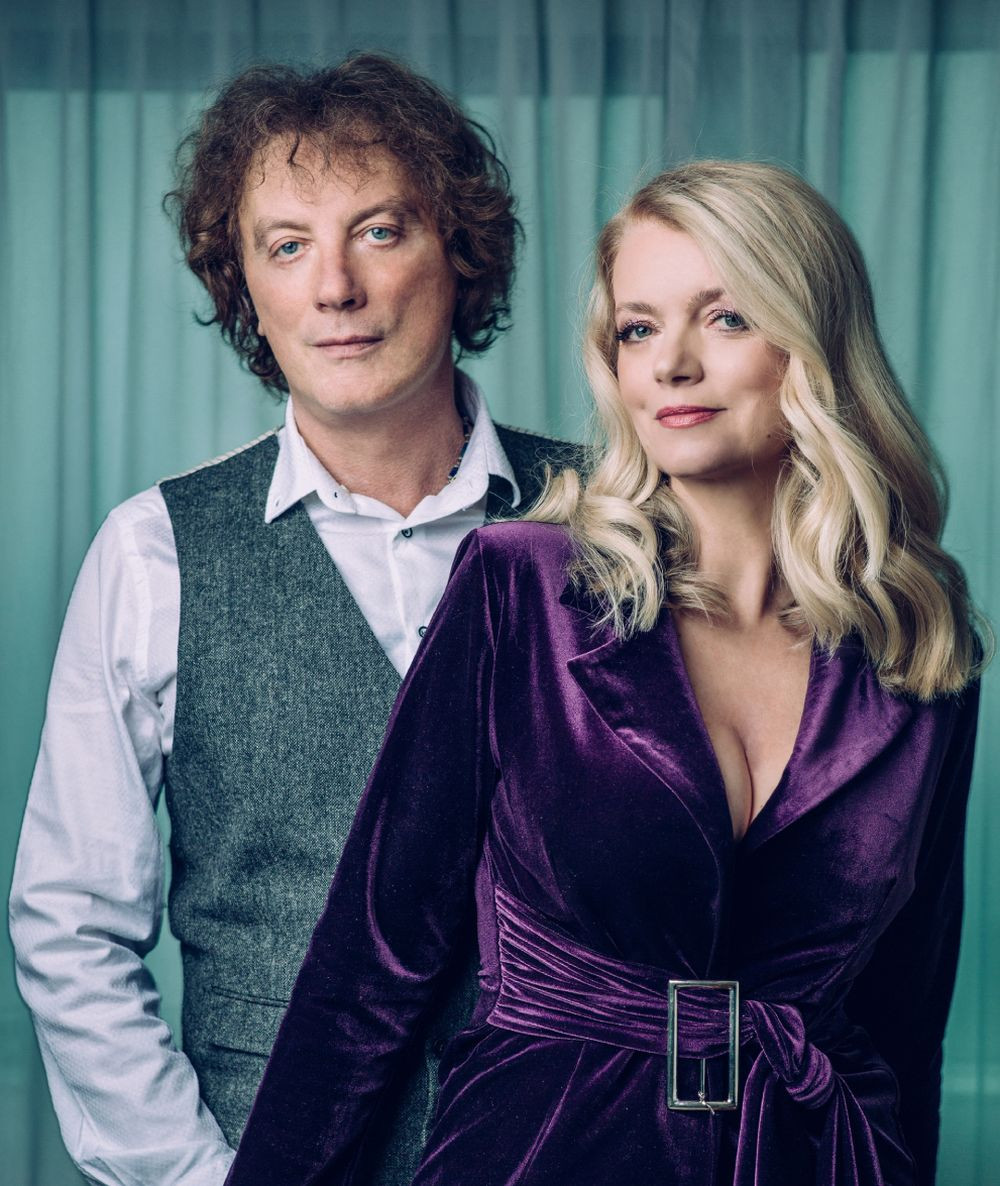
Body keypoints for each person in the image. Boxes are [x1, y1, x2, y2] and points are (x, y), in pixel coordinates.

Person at [223, 160, 984, 1186]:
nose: (671, 363)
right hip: (540, 1152)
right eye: (637, 329)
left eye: (726, 318)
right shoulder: (522, 587)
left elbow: (904, 1014)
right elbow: (371, 964)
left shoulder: (918, 645)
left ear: (812, 342)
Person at [8, 54, 580, 1186]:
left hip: (571, 1151)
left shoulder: (617, 520)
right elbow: (69, 923)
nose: (334, 288)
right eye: (286, 245)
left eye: (379, 231)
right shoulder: (154, 551)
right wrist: (197, 1177)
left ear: (458, 253)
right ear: (246, 288)